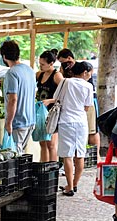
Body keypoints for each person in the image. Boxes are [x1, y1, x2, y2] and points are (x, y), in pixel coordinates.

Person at [44, 62, 93, 196]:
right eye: (90, 73)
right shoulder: (88, 86)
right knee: (80, 154)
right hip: (81, 123)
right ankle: (75, 184)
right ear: (84, 72)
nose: (90, 76)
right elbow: (87, 107)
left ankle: (69, 187)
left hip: (66, 121)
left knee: (67, 155)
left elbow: (57, 99)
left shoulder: (66, 82)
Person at [0, 40, 36, 155]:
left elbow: (13, 99)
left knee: (16, 157)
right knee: (21, 154)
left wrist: (8, 122)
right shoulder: (29, 70)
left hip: (18, 122)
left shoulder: (12, 73)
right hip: (30, 120)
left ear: (4, 57)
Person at [36, 49, 64, 162]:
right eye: (40, 64)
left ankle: (52, 169)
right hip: (41, 112)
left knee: (51, 144)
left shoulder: (57, 76)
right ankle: (43, 166)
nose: (41, 66)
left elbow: (64, 96)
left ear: (51, 63)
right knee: (42, 142)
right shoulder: (39, 74)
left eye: (43, 64)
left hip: (52, 113)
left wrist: (50, 101)